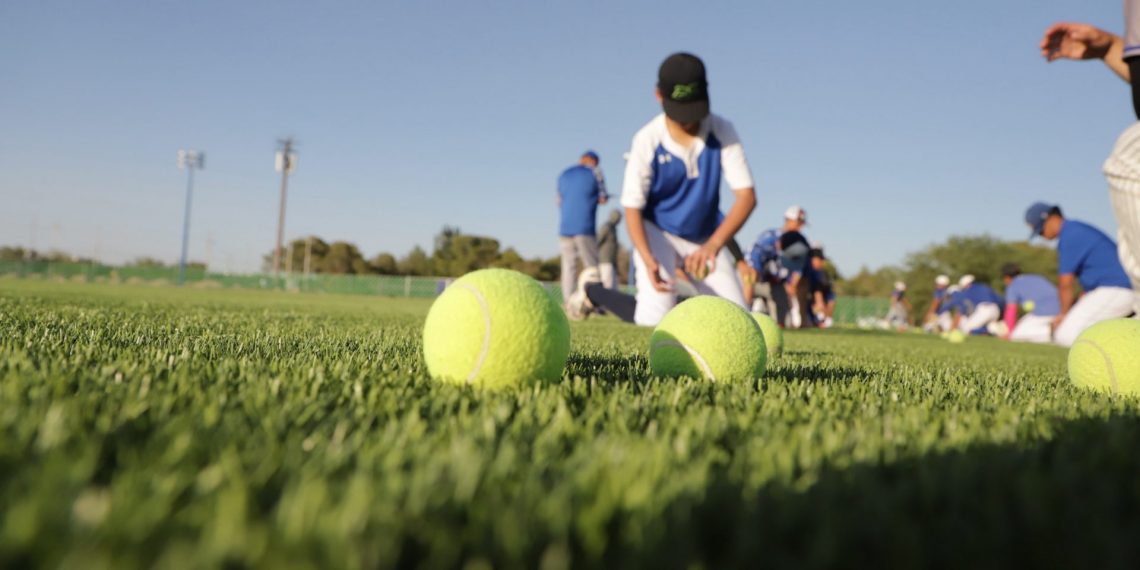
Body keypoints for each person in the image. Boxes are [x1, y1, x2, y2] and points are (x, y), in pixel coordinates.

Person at [611, 52, 756, 326]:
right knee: (655, 317)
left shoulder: (722, 130)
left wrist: (712, 245)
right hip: (657, 232)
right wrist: (647, 258)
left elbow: (746, 197)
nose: (689, 120)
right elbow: (632, 208)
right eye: (681, 111)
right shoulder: (647, 139)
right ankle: (594, 293)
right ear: (659, 96)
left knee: (739, 320)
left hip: (703, 237)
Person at [1040, 18, 1140, 313]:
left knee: (1128, 161)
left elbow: (1066, 281)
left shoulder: (1073, 233)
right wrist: (1110, 48)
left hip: (1114, 291)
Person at [1024, 202, 1134, 346]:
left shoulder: (1070, 235)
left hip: (1118, 288)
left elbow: (1065, 283)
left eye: (1040, 230)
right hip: (1117, 288)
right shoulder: (1075, 229)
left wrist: (1063, 314)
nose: (1041, 235)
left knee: (1065, 335)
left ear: (1050, 218)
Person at [557, 150, 608, 316]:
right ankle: (594, 304)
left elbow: (559, 201)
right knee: (592, 267)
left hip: (565, 227)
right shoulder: (595, 172)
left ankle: (568, 303)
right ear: (593, 161)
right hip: (584, 226)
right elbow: (603, 197)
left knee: (568, 267)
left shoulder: (564, 174)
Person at [1000, 262, 1060, 344]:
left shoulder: (1012, 285)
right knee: (1023, 323)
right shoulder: (1038, 278)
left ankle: (1054, 332)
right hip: (1061, 312)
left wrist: (1009, 333)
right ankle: (1056, 329)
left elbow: (1011, 309)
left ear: (1006, 278)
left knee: (1017, 335)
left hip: (1042, 314)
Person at [778, 206, 812, 328]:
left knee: (799, 303)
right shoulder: (778, 235)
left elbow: (800, 265)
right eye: (799, 222)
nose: (801, 226)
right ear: (789, 220)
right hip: (780, 278)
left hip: (798, 278)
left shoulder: (800, 238)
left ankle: (800, 324)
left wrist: (793, 282)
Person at [747, 227, 787, 318]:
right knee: (749, 279)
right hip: (756, 282)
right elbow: (752, 273)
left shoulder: (780, 255)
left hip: (771, 283)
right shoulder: (761, 249)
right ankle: (746, 311)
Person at [807, 247, 836, 327]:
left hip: (817, 310)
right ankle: (818, 319)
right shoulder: (808, 273)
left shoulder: (823, 275)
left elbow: (831, 300)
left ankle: (821, 319)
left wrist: (826, 316)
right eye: (819, 259)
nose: (822, 262)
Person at [595, 209, 623, 290]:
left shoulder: (614, 229)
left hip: (612, 262)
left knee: (614, 287)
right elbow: (598, 241)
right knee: (607, 286)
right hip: (605, 261)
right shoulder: (606, 227)